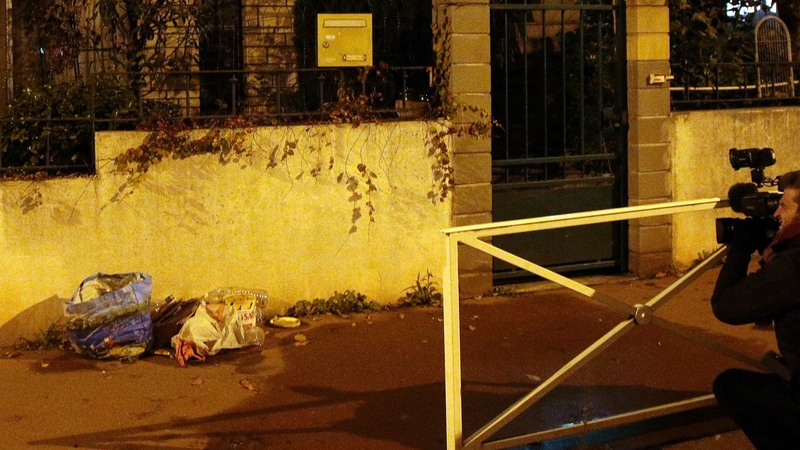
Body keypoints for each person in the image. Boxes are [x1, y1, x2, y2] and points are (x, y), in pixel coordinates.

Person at [711, 170, 800, 449]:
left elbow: (726, 306)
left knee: (730, 386)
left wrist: (740, 247)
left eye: (784, 206)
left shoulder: (793, 265)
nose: (777, 214)